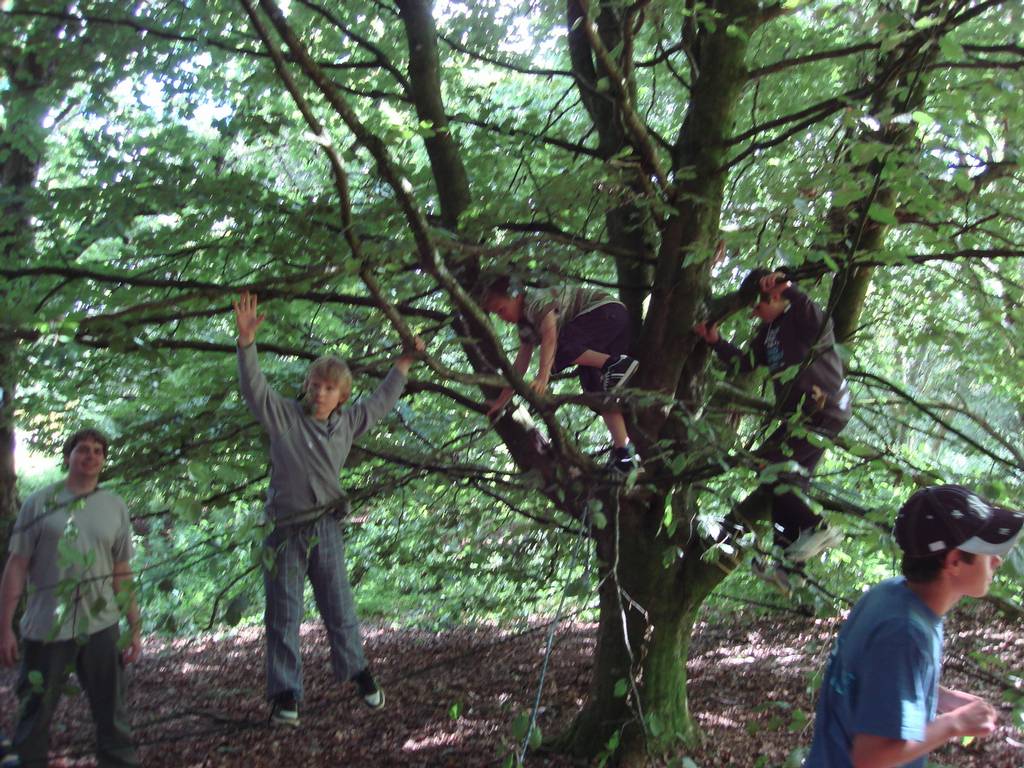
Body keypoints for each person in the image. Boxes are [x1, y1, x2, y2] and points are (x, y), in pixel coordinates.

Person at [233, 290, 425, 727]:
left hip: (326, 527)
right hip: (283, 530)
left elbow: (381, 401)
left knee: (338, 605)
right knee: (283, 613)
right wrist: (246, 343)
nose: (320, 393)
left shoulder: (350, 422)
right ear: (306, 387)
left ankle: (357, 671)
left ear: (341, 395)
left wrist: (405, 363)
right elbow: (253, 388)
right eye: (315, 385)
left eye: (330, 388)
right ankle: (285, 693)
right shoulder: (284, 417)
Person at [805, 484, 1023, 767]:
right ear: (955, 561)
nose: (997, 560)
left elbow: (876, 679)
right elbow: (871, 757)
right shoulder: (905, 633)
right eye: (987, 551)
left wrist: (940, 697)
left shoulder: (889, 596)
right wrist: (953, 724)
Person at [695, 269, 852, 587]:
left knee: (769, 465)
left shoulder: (803, 318)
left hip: (821, 411)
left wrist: (788, 286)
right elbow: (744, 363)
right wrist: (715, 342)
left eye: (757, 305)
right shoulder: (768, 333)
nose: (754, 312)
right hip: (799, 418)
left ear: (775, 297)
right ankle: (787, 566)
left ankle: (817, 526)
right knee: (785, 482)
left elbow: (816, 314)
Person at [0, 428, 141, 767]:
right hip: (47, 626)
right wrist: (5, 627)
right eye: (82, 450)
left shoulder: (114, 506)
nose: (90, 456)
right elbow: (17, 566)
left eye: (97, 451)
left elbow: (121, 570)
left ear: (103, 461)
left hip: (102, 624)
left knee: (112, 711)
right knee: (36, 709)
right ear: (68, 457)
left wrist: (133, 625)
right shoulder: (40, 503)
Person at [479, 275, 639, 473]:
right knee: (597, 393)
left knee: (557, 353)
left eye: (501, 309)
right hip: (601, 333)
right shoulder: (525, 327)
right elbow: (520, 364)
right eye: (497, 314)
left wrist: (542, 378)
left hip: (606, 314)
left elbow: (550, 337)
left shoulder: (536, 301)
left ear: (516, 295)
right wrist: (501, 402)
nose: (502, 317)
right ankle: (626, 455)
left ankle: (615, 364)